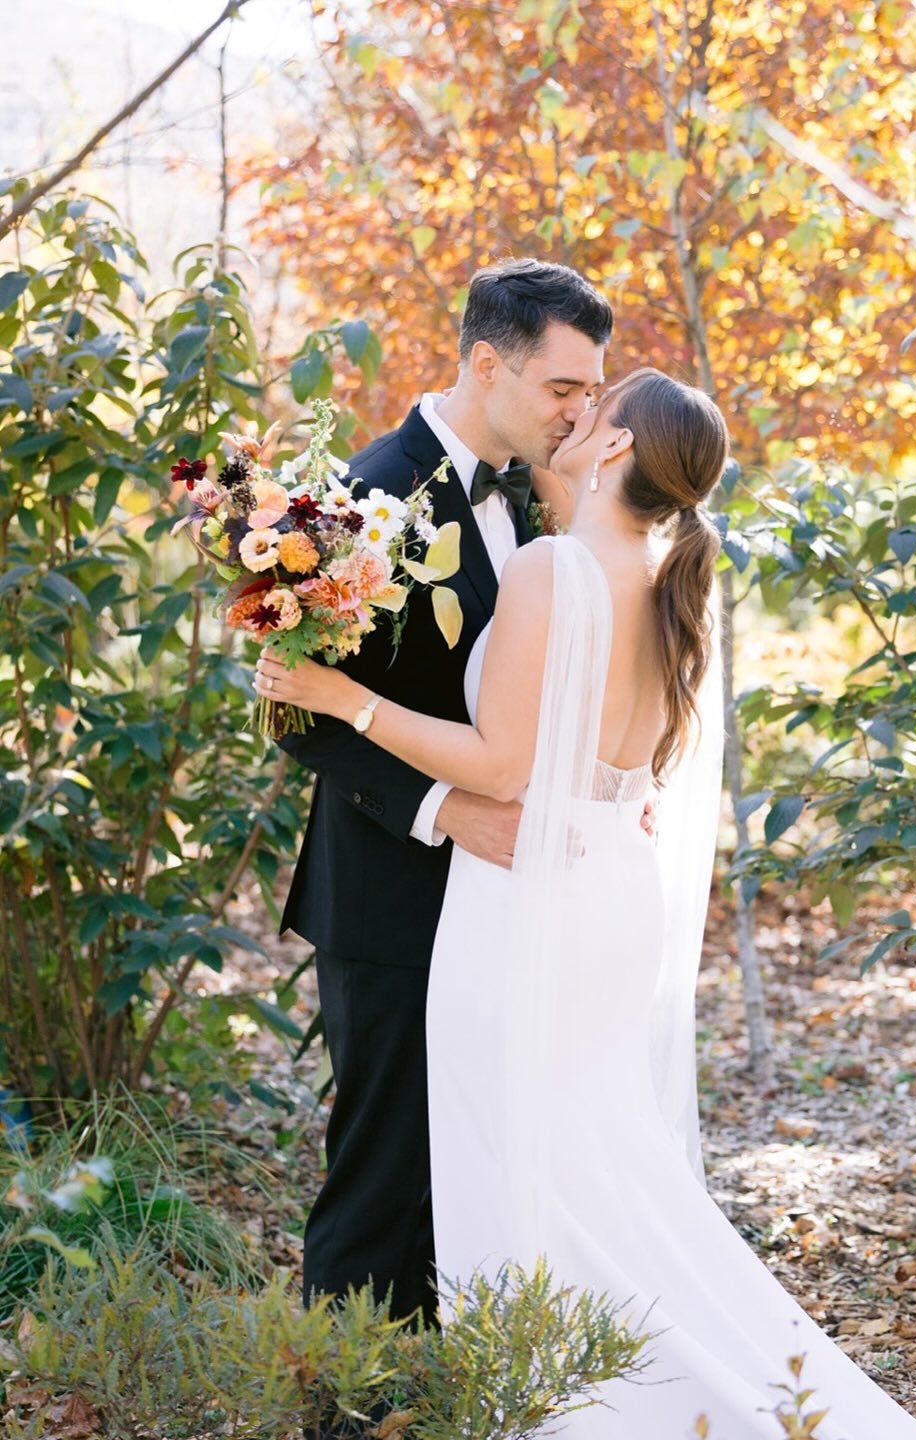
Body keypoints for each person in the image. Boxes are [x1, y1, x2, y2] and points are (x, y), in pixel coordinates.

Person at [259, 368, 916, 1438]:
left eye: (595, 405)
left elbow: (503, 765)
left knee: (517, 1162)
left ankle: (575, 1405)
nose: (575, 416)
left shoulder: (551, 569)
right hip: (608, 885)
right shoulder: (668, 568)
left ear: (618, 447)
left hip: (528, 897)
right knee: (600, 1166)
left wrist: (347, 699)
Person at [275, 258, 612, 1324]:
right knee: (382, 1169)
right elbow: (298, 711)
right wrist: (444, 811)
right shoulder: (369, 496)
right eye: (563, 387)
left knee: (464, 1157)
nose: (580, 410)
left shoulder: (534, 493)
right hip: (388, 894)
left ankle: (434, 1381)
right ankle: (341, 1392)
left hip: (497, 898)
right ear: (486, 363)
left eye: (591, 389)